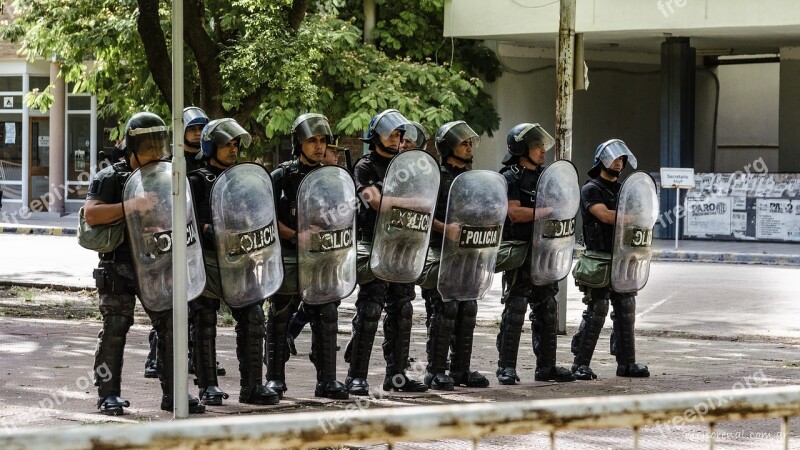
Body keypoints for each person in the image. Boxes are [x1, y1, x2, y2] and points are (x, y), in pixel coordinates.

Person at [85, 112, 204, 415]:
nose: (156, 153)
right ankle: (107, 394)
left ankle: (174, 392)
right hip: (120, 266)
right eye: (148, 146)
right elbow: (92, 215)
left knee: (171, 325)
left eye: (159, 145)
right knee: (115, 328)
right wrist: (133, 206)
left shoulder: (166, 175)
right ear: (132, 147)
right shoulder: (110, 177)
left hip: (157, 263)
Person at [186, 118, 281, 406]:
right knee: (204, 319)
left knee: (253, 316)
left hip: (242, 259)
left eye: (235, 144)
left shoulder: (243, 179)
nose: (232, 149)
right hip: (209, 261)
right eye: (226, 144)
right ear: (210, 146)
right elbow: (187, 220)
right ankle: (208, 386)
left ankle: (251, 387)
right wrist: (207, 229)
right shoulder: (196, 179)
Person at [344, 109, 428, 396]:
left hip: (403, 243)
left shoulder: (409, 166)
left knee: (403, 309)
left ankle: (396, 376)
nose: (395, 139)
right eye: (391, 133)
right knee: (370, 310)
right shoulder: (365, 166)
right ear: (376, 136)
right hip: (373, 242)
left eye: (399, 134)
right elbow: (375, 201)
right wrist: (409, 202)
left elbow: (427, 201)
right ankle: (356, 377)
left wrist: (407, 203)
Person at [267, 113, 349, 400]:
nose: (318, 146)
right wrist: (294, 234)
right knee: (280, 315)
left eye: (323, 140)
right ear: (298, 142)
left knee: (326, 315)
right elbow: (265, 217)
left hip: (322, 258)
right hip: (289, 256)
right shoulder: (281, 176)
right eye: (311, 140)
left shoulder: (333, 178)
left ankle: (327, 380)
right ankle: (275, 378)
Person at [143, 106, 223, 379]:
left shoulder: (208, 163)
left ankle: (198, 357)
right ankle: (155, 357)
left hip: (201, 244)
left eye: (202, 129)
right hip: (173, 238)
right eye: (192, 129)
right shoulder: (169, 163)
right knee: (170, 302)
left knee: (202, 304)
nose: (198, 134)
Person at [495, 123, 575, 385]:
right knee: (515, 309)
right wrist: (545, 212)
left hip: (546, 253)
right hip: (520, 253)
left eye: (542, 145)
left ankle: (547, 367)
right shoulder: (509, 177)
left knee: (548, 308)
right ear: (521, 149)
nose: (543, 150)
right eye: (537, 146)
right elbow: (514, 213)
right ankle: (506, 367)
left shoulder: (546, 177)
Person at [570, 139, 650, 380]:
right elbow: (604, 215)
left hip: (623, 258)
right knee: (597, 309)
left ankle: (627, 363)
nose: (619, 162)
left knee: (626, 309)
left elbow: (644, 214)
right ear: (601, 160)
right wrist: (631, 216)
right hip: (599, 258)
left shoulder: (625, 189)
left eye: (622, 159)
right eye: (615, 158)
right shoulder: (591, 189)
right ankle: (580, 363)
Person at [422, 121, 489, 390]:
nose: (469, 146)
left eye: (470, 142)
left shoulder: (473, 178)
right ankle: (435, 370)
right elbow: (423, 215)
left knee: (468, 308)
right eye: (463, 142)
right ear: (448, 147)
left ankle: (461, 369)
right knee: (445, 309)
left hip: (469, 252)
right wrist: (444, 229)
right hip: (440, 252)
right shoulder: (435, 177)